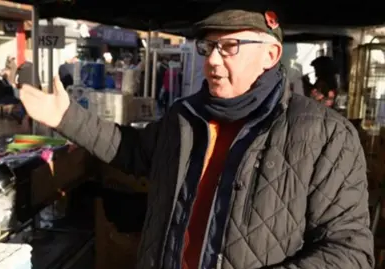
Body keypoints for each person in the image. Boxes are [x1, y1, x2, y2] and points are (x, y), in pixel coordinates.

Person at [19, 5, 373, 269]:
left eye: (229, 46)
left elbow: (349, 252)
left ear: (271, 54)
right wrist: (65, 117)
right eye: (207, 48)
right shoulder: (184, 117)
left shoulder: (326, 135)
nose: (212, 62)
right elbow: (131, 151)